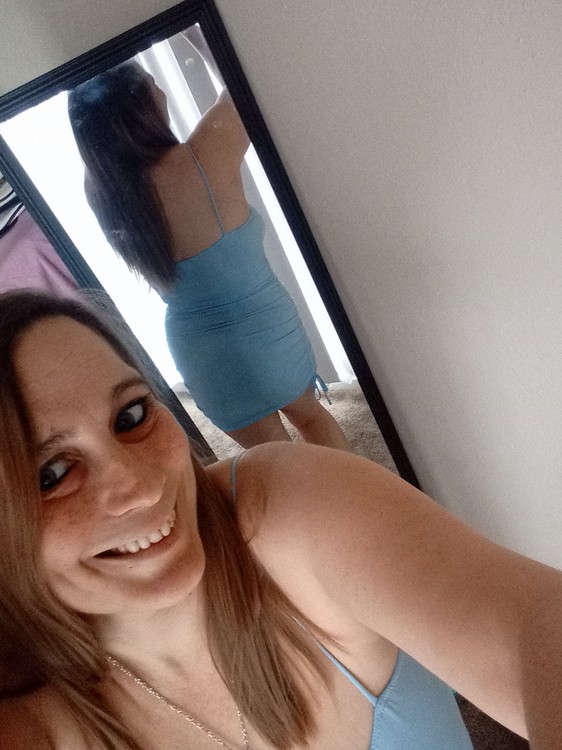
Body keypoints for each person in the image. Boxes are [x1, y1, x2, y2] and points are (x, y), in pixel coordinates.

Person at [0, 289, 561, 750]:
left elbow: (532, 625)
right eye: (51, 474)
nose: (142, 488)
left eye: (131, 415)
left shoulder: (287, 505)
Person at [66, 31, 351, 452]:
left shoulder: (101, 193)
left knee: (272, 460)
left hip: (199, 351)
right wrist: (199, 35)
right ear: (141, 108)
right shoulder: (203, 154)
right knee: (309, 415)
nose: (161, 91)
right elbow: (240, 90)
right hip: (263, 326)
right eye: (152, 84)